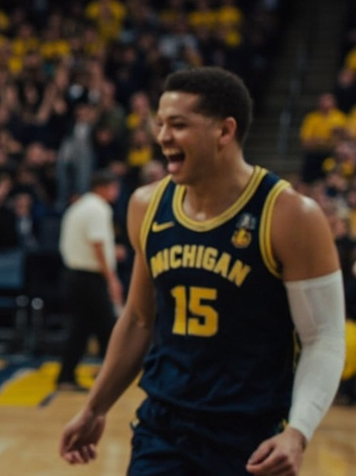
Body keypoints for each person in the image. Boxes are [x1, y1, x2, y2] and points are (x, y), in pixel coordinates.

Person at [59, 67, 346, 476]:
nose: (162, 137)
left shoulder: (290, 215)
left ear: (224, 132)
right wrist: (94, 408)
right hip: (163, 430)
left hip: (251, 440)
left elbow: (324, 337)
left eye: (178, 125)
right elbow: (140, 319)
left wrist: (298, 432)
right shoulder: (147, 206)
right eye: (160, 124)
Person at [55, 168, 122, 391]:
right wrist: (112, 278)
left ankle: (69, 376)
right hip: (90, 277)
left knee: (83, 328)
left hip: (74, 275)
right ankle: (108, 375)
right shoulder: (98, 209)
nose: (116, 192)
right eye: (114, 187)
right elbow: (98, 244)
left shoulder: (80, 206)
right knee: (107, 325)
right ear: (103, 187)